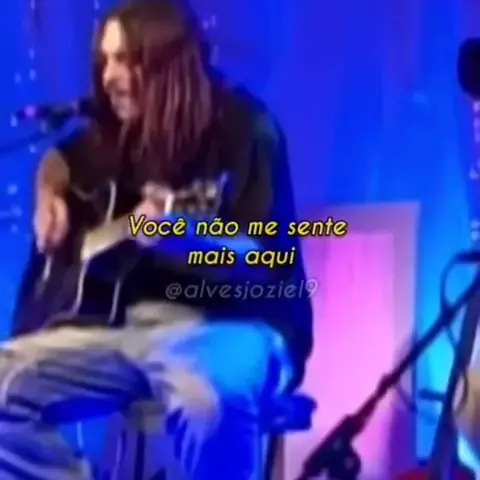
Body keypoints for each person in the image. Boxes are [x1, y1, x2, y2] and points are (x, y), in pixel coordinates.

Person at [5, 0, 313, 478]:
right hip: (123, 330)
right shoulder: (120, 129)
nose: (108, 76)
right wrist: (49, 194)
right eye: (104, 61)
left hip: (233, 324)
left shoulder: (245, 127)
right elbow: (62, 158)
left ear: (168, 63)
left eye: (124, 60)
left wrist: (183, 238)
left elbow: (264, 259)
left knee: (207, 403)